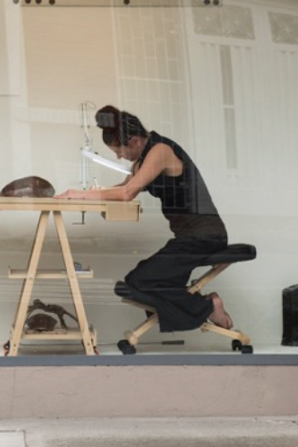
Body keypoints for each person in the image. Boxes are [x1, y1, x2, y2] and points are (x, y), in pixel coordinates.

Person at [55, 105, 233, 331]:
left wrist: (78, 194)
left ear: (136, 141)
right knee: (135, 283)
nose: (119, 156)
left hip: (205, 236)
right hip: (187, 238)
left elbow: (127, 193)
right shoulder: (140, 162)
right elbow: (123, 189)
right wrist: (92, 196)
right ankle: (200, 306)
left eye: (119, 151)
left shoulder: (160, 151)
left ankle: (209, 306)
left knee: (140, 283)